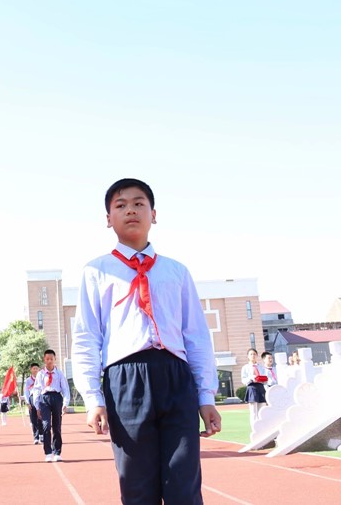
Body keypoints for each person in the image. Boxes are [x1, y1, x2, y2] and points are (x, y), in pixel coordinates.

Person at [72, 178, 221, 504]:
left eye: (139, 203)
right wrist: (92, 398)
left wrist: (206, 395)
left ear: (153, 214)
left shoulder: (176, 272)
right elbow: (87, 337)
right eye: (120, 205)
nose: (130, 210)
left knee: (184, 483)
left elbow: (195, 334)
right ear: (108, 218)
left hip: (176, 376)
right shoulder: (96, 272)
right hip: (125, 380)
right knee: (138, 486)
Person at [36, 349, 70, 462]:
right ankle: (48, 452)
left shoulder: (59, 373)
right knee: (46, 425)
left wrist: (65, 403)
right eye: (47, 359)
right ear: (44, 360)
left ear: (55, 359)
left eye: (51, 359)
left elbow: (65, 389)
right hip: (44, 399)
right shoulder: (40, 374)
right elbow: (37, 390)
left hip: (56, 398)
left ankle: (57, 452)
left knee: (57, 426)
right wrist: (37, 405)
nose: (49, 361)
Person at [241, 348, 269, 427]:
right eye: (251, 354)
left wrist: (263, 379)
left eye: (254, 354)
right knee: (253, 411)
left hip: (260, 387)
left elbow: (265, 378)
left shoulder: (261, 367)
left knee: (262, 410)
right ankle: (254, 428)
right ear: (248, 356)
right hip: (252, 387)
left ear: (257, 356)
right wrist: (251, 378)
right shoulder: (245, 367)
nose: (253, 356)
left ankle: (262, 427)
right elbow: (243, 380)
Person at [22, 363, 41, 444]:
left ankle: (41, 435)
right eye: (34, 368)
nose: (35, 370)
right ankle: (36, 437)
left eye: (37, 368)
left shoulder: (42, 378)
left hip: (41, 398)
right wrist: (27, 402)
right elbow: (26, 392)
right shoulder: (28, 381)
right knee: (33, 419)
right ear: (31, 370)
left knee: (41, 417)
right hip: (32, 398)